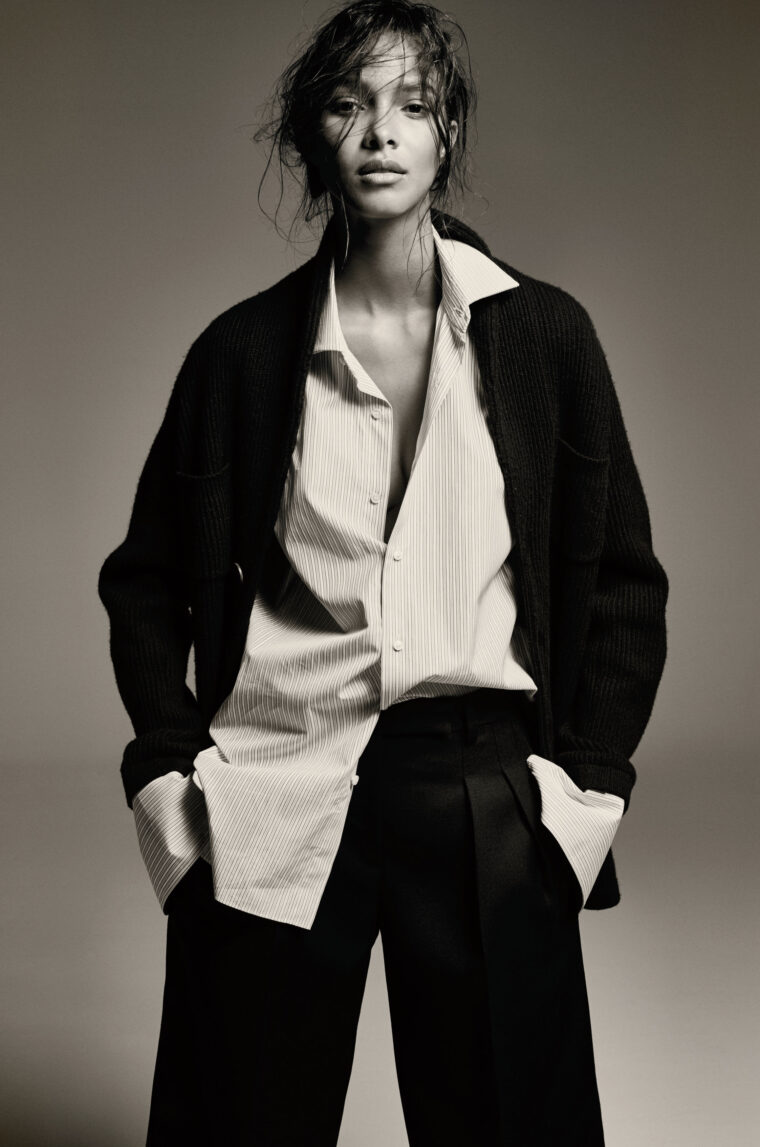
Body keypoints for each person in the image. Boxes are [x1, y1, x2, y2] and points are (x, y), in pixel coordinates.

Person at [98, 1, 668, 1144]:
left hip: (480, 787)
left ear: (447, 131)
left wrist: (588, 789)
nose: (380, 132)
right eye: (348, 105)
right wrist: (169, 778)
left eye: (413, 103)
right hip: (274, 777)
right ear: (312, 134)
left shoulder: (544, 338)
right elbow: (146, 583)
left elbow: (620, 581)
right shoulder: (239, 354)